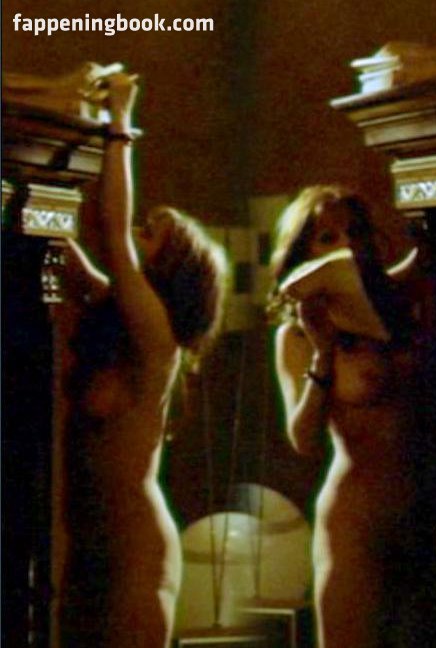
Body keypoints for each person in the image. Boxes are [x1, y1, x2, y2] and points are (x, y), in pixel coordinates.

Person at [59, 73, 229, 647]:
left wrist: (119, 124)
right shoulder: (115, 310)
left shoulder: (158, 337)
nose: (136, 230)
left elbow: (110, 230)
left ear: (173, 269)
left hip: (134, 551)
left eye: (150, 233)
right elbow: (62, 248)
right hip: (89, 546)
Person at [268, 185, 436, 647]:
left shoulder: (403, 302)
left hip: (426, 515)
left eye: (356, 231)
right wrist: (323, 353)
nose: (346, 245)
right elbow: (303, 440)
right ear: (305, 251)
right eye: (328, 237)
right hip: (355, 520)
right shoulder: (297, 336)